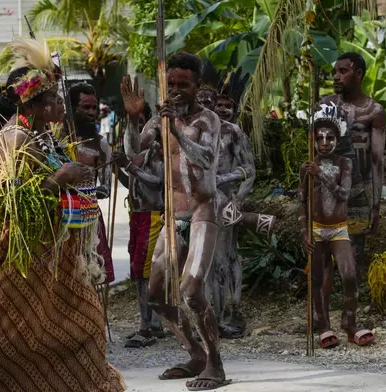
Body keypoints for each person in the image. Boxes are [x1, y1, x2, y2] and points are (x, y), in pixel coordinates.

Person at [0, 37, 125, 391]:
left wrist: (74, 175)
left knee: (84, 323)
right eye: (54, 100)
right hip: (22, 255)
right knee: (11, 332)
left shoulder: (41, 134)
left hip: (50, 255)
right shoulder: (15, 137)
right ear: (35, 104)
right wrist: (59, 178)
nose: (61, 105)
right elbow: (5, 199)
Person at [122, 52, 229, 391]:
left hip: (202, 212)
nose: (178, 90)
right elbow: (132, 151)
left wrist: (177, 133)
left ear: (198, 86)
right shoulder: (158, 120)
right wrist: (133, 118)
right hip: (174, 216)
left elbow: (207, 157)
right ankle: (194, 352)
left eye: (185, 84)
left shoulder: (208, 120)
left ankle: (215, 364)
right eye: (172, 84)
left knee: (190, 290)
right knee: (155, 295)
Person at [196, 62, 273, 340]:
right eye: (218, 103)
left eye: (228, 105)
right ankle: (209, 316)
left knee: (225, 258)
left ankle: (232, 311)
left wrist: (237, 199)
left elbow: (249, 170)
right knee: (202, 262)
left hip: (225, 202)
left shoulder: (233, 132)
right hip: (201, 205)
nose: (222, 109)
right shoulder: (201, 129)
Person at [298, 103, 374, 348]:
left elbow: (344, 194)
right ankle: (324, 327)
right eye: (319, 137)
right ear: (313, 139)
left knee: (350, 275)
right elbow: (302, 201)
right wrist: (305, 231)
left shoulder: (344, 165)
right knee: (318, 279)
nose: (324, 142)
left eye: (330, 137)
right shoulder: (306, 167)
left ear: (337, 139)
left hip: (339, 227)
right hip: (317, 229)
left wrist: (320, 174)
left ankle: (350, 324)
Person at [320, 52, 386, 314]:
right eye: (335, 71)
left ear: (358, 74)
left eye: (343, 71)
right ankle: (322, 312)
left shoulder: (373, 111)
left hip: (359, 189)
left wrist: (376, 203)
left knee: (356, 249)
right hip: (326, 189)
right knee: (323, 249)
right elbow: (314, 150)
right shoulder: (325, 106)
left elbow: (378, 159)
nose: (336, 76)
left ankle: (352, 312)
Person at [112, 103, 166, 348]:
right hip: (137, 215)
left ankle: (148, 327)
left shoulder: (155, 151)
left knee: (145, 273)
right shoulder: (138, 153)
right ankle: (152, 324)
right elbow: (133, 184)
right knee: (139, 272)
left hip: (152, 216)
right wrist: (120, 170)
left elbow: (157, 183)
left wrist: (129, 165)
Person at [68, 82, 116, 284]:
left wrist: (86, 185)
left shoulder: (101, 144)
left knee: (90, 276)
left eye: (94, 107)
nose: (91, 112)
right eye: (85, 107)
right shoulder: (55, 138)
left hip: (88, 220)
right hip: (59, 216)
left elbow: (105, 189)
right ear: (72, 109)